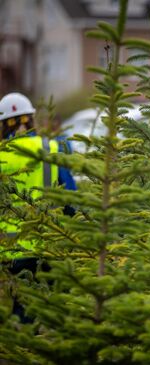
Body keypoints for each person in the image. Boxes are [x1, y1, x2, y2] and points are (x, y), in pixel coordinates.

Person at [0, 92, 77, 322]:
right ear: (31, 119)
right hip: (50, 245)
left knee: (22, 306)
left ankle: (24, 349)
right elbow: (71, 198)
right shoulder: (52, 148)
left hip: (10, 250)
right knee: (53, 305)